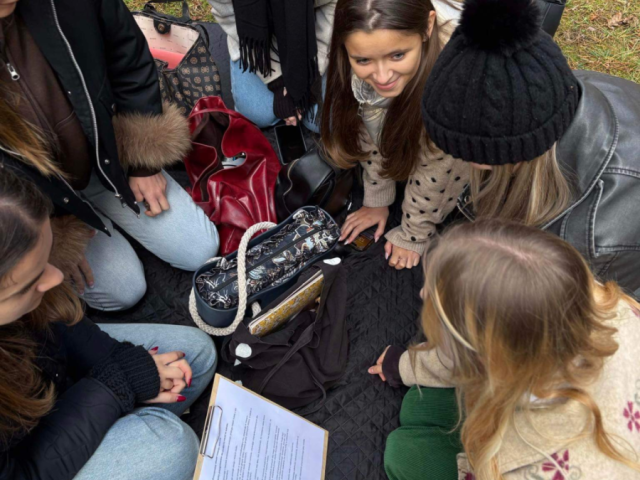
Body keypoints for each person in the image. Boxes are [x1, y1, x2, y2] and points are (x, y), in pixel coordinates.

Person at [369, 218, 640, 480]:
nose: (421, 294)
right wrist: (405, 366)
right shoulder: (605, 303)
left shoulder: (530, 471)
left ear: (489, 359)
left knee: (402, 453)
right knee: (417, 406)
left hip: (525, 455)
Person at [0, 0, 219, 312]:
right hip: (40, 205)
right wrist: (40, 237)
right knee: (123, 290)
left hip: (106, 152)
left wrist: (144, 159)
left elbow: (127, 55)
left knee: (200, 247)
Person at [0, 168, 217, 480]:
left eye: (47, 258)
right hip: (28, 462)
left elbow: (61, 326)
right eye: (32, 281)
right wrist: (116, 384)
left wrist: (119, 361)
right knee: (173, 447)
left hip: (56, 387)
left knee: (196, 355)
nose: (57, 276)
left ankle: (130, 428)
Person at [421, 0, 640, 298]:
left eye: (477, 158)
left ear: (520, 153)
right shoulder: (554, 93)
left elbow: (592, 319)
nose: (464, 162)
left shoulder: (598, 236)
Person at [322, 0, 470, 270]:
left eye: (397, 55)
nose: (382, 76)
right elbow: (370, 133)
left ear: (427, 27)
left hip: (455, 162)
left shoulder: (453, 88)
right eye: (363, 60)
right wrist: (377, 200)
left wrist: (415, 233)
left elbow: (440, 171)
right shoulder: (367, 73)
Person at [208, 0, 337, 132]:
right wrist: (276, 82)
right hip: (255, 39)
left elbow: (333, 6)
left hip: (310, 31)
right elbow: (228, 15)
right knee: (259, 114)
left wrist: (312, 72)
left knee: (321, 121)